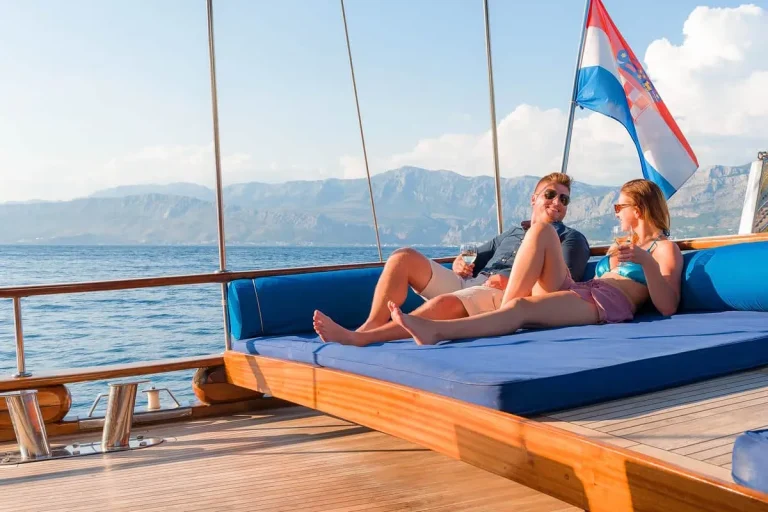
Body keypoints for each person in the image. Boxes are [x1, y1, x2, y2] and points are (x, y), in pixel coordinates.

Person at [385, 179, 683, 346]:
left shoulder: (664, 249)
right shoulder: (620, 246)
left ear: (639, 209)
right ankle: (499, 314)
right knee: (541, 229)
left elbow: (668, 305)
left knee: (520, 308)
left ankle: (437, 331)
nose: (615, 212)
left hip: (608, 303)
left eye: (620, 206)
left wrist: (647, 264)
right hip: (585, 289)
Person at [313, 172, 590, 346]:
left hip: (503, 295)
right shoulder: (513, 232)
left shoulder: (570, 239)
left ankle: (360, 339)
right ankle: (371, 324)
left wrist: (512, 282)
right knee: (403, 258)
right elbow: (472, 257)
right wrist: (459, 262)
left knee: (445, 303)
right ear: (534, 199)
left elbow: (562, 288)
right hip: (474, 283)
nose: (557, 202)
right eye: (551, 195)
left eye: (564, 200)